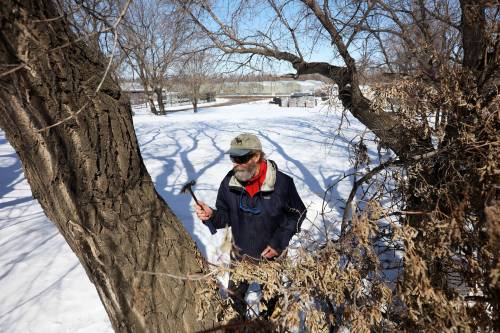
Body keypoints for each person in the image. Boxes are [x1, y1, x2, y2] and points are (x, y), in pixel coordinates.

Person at [195, 133, 306, 318]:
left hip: (272, 258)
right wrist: (211, 215)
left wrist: (278, 243)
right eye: (233, 158)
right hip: (240, 256)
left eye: (242, 158)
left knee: (270, 307)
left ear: (256, 156)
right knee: (234, 303)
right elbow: (224, 217)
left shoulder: (283, 183)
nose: (236, 163)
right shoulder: (229, 182)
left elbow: (297, 214)